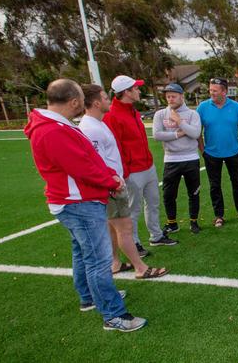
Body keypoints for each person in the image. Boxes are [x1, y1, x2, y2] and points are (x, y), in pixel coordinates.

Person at [24, 79, 147, 332]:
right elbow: (80, 166)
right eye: (80, 97)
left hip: (76, 200)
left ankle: (88, 297)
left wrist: (108, 176)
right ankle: (114, 315)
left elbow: (87, 159)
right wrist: (111, 182)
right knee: (98, 259)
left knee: (83, 253)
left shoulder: (55, 125)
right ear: (74, 101)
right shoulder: (52, 130)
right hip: (78, 202)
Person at [79, 84, 168, 279]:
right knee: (125, 227)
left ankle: (115, 262)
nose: (108, 100)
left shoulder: (99, 122)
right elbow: (96, 162)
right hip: (112, 185)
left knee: (113, 226)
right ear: (95, 102)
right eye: (104, 97)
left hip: (116, 181)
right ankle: (140, 268)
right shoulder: (90, 128)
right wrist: (115, 181)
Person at [104, 75, 177, 258]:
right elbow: (116, 147)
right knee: (132, 209)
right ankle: (134, 242)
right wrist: (125, 172)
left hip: (147, 166)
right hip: (132, 171)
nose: (139, 91)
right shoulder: (112, 116)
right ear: (126, 92)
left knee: (153, 202)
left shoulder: (133, 111)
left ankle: (156, 235)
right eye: (135, 88)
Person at [196, 77, 238, 227]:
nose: (212, 93)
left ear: (224, 91)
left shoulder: (236, 107)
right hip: (211, 154)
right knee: (215, 185)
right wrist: (203, 151)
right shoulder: (202, 107)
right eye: (210, 90)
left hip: (234, 153)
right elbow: (198, 131)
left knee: (237, 183)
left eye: (215, 91)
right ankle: (219, 215)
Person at [152, 83, 202, 234]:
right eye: (168, 96)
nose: (170, 99)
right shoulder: (160, 114)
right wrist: (178, 134)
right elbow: (157, 135)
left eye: (173, 96)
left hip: (191, 158)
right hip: (171, 159)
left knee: (193, 192)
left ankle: (194, 222)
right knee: (169, 194)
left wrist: (179, 122)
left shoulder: (193, 114)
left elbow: (195, 134)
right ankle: (172, 223)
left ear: (182, 96)